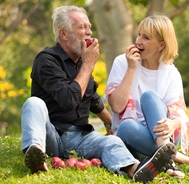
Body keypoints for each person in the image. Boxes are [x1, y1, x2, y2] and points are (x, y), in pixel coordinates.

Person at [20, 6, 177, 183]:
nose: (89, 33)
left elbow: (93, 100)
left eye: (89, 27)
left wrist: (109, 123)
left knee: (112, 142)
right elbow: (68, 100)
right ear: (63, 34)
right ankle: (35, 153)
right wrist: (88, 65)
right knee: (33, 103)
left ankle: (136, 170)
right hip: (52, 135)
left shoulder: (81, 61)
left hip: (80, 137)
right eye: (82, 28)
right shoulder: (47, 60)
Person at [105, 14, 189, 179]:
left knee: (150, 97)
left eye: (146, 37)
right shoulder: (122, 62)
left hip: (164, 136)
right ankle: (187, 160)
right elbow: (117, 106)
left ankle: (164, 157)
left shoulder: (171, 73)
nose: (138, 41)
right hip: (131, 137)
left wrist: (172, 123)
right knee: (126, 126)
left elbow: (180, 117)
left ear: (161, 45)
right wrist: (131, 69)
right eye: (139, 34)